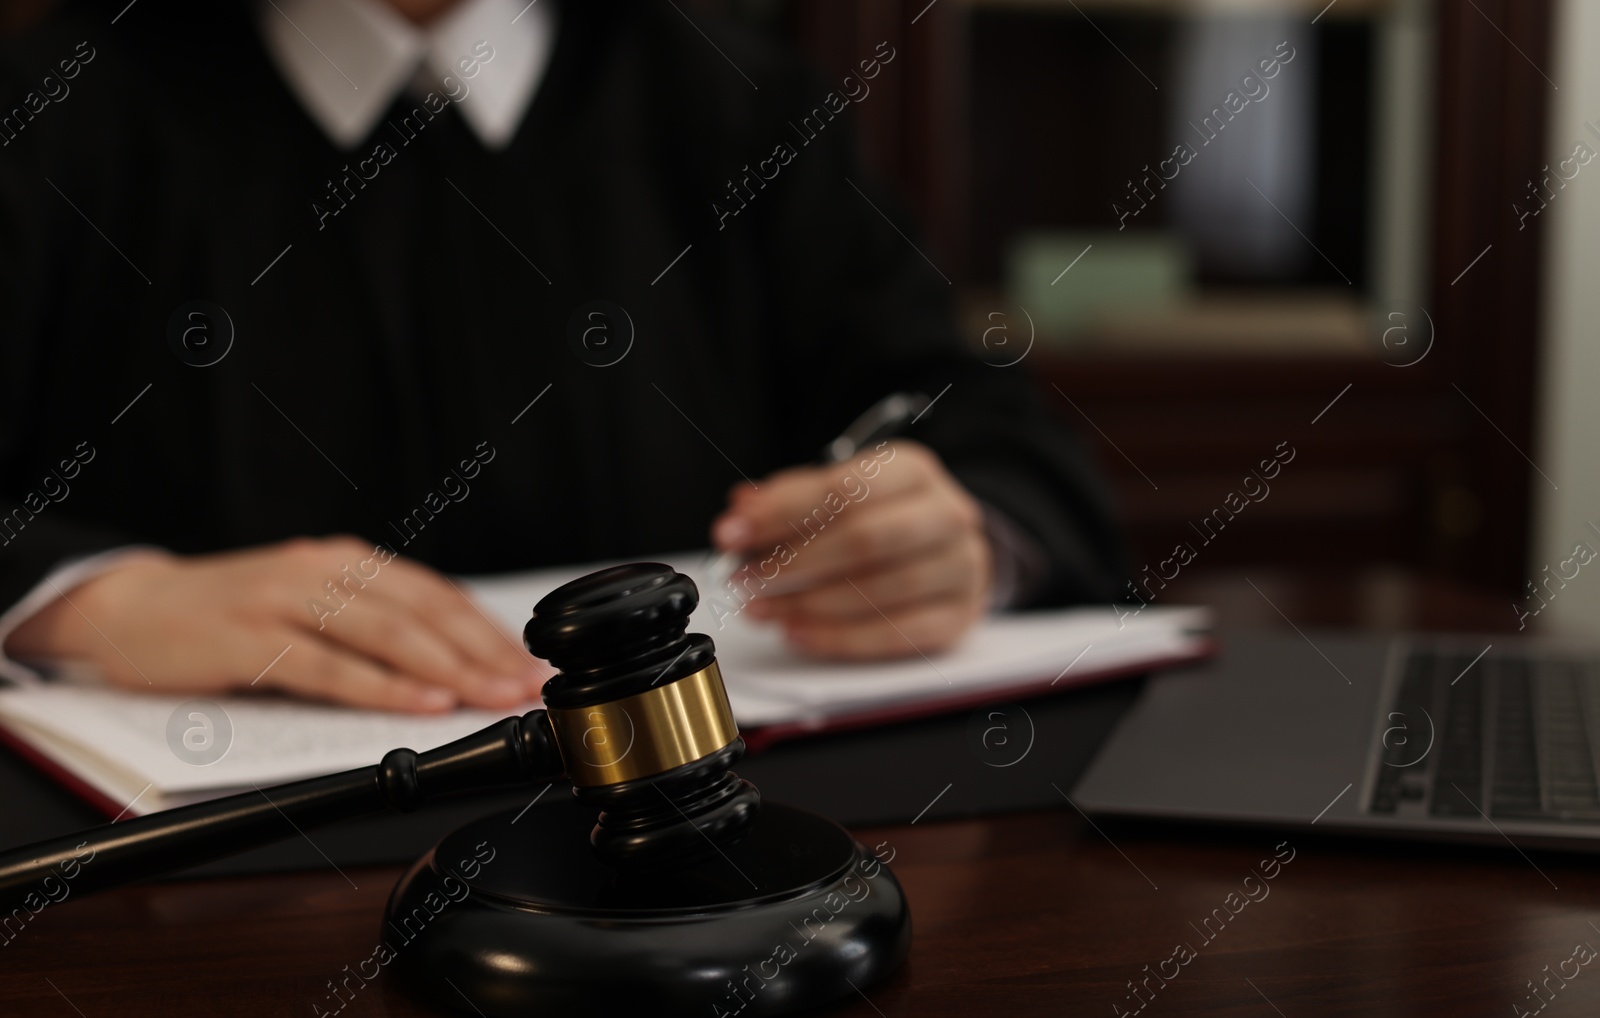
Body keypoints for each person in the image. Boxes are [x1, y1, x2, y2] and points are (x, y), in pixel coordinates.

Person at [0, 0, 1126, 714]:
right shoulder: (50, 113)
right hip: (191, 909)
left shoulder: (744, 107)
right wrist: (90, 601)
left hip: (712, 869)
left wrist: (959, 531)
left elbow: (981, 430)